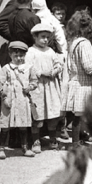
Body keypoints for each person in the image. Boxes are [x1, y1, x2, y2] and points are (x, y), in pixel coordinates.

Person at [61, 11, 92, 146]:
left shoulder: (73, 42)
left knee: (77, 115)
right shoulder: (84, 43)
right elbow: (89, 66)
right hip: (84, 83)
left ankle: (77, 139)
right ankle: (76, 143)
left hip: (75, 81)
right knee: (79, 115)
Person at [27, 23, 64, 151]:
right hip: (38, 87)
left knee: (53, 114)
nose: (45, 40)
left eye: (48, 37)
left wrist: (55, 70)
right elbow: (28, 67)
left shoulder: (50, 51)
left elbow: (58, 64)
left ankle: (52, 139)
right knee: (38, 116)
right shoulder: (31, 51)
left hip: (50, 86)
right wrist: (41, 73)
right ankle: (36, 141)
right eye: (42, 37)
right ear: (35, 37)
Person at [0, 41, 35, 157]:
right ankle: (1, 148)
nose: (19, 58)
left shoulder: (29, 68)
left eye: (21, 55)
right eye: (16, 56)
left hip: (22, 100)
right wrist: (4, 97)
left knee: (23, 124)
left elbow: (35, 81)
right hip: (9, 100)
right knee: (5, 125)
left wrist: (29, 87)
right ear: (10, 55)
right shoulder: (6, 68)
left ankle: (24, 147)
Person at [0, 0, 41, 66]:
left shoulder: (13, 15)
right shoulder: (31, 17)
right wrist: (17, 38)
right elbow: (38, 38)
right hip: (28, 53)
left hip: (16, 52)